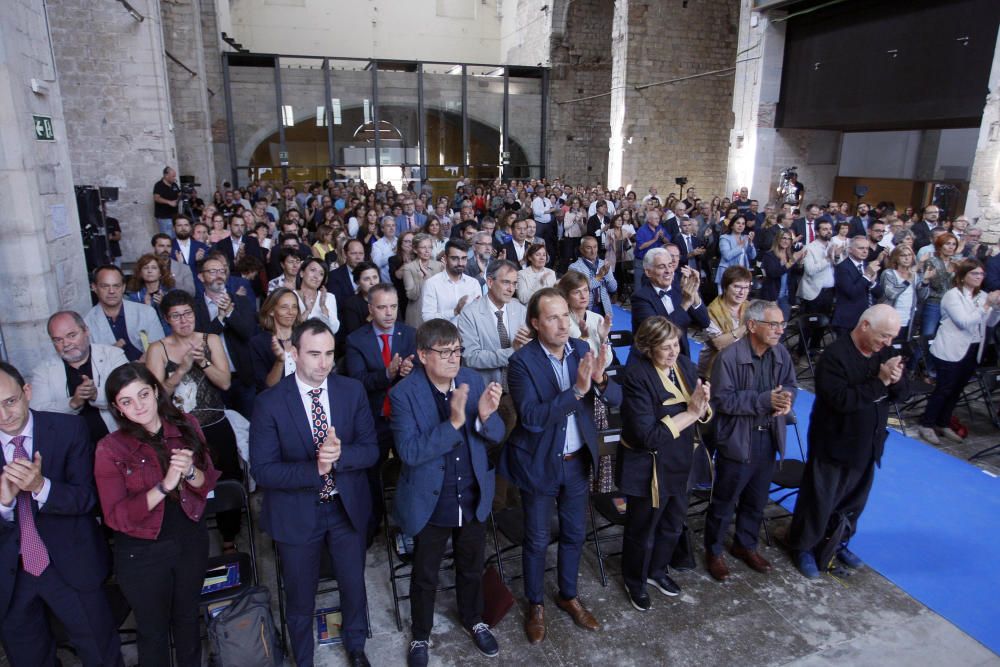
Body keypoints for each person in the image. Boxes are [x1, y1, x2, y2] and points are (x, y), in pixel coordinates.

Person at [250, 319, 379, 667]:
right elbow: (262, 470)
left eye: (329, 354)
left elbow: (370, 450)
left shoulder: (351, 391)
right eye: (313, 354)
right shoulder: (270, 402)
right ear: (294, 353)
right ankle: (303, 658)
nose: (323, 363)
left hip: (344, 507)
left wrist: (341, 456)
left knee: (353, 585)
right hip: (296, 512)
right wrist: (316, 469)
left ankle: (356, 646)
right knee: (300, 595)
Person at [500, 288, 622, 643]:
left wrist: (601, 380)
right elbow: (534, 418)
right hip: (539, 463)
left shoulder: (583, 350)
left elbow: (614, 399)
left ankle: (568, 595)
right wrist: (577, 392)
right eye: (552, 318)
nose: (561, 323)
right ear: (536, 323)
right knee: (537, 539)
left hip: (577, 462)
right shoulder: (521, 362)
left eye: (565, 315)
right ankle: (535, 603)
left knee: (574, 534)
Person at [390, 320, 504, 666]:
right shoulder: (403, 394)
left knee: (471, 566)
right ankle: (421, 635)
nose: (454, 358)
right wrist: (454, 422)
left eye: (457, 350)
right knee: (425, 574)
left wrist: (485, 416)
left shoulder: (471, 379)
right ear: (423, 355)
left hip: (470, 493)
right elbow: (409, 452)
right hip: (430, 500)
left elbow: (495, 434)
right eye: (445, 352)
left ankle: (474, 618)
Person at [95, 362, 219, 667]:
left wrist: (189, 471)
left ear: (155, 391)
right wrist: (163, 486)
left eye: (143, 395)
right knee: (152, 632)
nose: (138, 406)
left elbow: (206, 484)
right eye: (127, 401)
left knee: (188, 620)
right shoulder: (110, 448)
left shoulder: (187, 424)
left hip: (190, 539)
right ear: (117, 408)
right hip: (142, 552)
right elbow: (116, 517)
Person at [0, 361, 123, 667]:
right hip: (10, 577)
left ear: (27, 392)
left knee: (100, 653)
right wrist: (3, 506)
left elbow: (88, 498)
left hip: (70, 565)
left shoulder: (68, 429)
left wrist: (42, 487)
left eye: (10, 402)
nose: (4, 415)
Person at [787, 305, 908, 578]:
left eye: (892, 337)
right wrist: (881, 382)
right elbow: (842, 401)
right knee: (819, 500)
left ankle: (836, 542)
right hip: (834, 443)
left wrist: (897, 381)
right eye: (884, 336)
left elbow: (902, 394)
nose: (888, 343)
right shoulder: (834, 356)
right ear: (864, 325)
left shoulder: (886, 352)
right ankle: (803, 547)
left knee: (853, 503)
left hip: (869, 444)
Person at [617, 317, 710, 610]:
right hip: (649, 467)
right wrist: (693, 413)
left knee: (672, 524)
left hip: (681, 460)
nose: (673, 353)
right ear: (647, 348)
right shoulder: (635, 376)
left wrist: (703, 407)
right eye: (665, 348)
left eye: (675, 345)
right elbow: (647, 435)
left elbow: (700, 410)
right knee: (642, 530)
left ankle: (657, 571)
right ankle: (636, 581)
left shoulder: (683, 364)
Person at [145, 289, 244, 551]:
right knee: (181, 482)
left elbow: (224, 383)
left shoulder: (210, 339)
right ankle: (189, 532)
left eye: (187, 313)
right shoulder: (158, 349)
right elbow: (155, 397)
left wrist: (203, 363)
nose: (184, 320)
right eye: (176, 316)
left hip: (214, 423)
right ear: (167, 319)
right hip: (179, 430)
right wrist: (181, 370)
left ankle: (229, 536)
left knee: (226, 478)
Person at [704, 300, 796, 581]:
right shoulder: (729, 358)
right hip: (737, 440)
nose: (780, 330)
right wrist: (764, 400)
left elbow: (791, 384)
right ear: (752, 325)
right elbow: (722, 401)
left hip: (769, 435)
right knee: (725, 500)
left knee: (757, 499)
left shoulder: (780, 353)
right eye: (774, 324)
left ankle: (745, 544)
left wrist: (787, 401)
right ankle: (714, 550)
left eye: (782, 324)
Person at [344, 283, 417, 535]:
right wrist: (388, 373)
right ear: (370, 309)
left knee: (412, 470)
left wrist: (409, 373)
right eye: (382, 307)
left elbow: (422, 376)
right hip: (374, 419)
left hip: (405, 418)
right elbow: (357, 382)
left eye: (394, 306)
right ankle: (374, 523)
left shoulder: (409, 335)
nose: (389, 313)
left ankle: (410, 522)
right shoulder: (355, 340)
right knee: (371, 475)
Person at [917, 260, 1000, 445]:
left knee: (956, 390)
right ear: (963, 277)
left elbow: (990, 323)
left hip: (972, 348)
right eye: (975, 274)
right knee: (944, 388)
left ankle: (943, 422)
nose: (979, 277)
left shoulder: (981, 296)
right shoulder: (952, 296)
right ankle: (927, 423)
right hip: (950, 348)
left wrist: (996, 309)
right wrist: (987, 305)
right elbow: (963, 321)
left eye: (981, 274)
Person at [29, 311, 128, 443]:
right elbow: (37, 414)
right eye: (58, 340)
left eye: (71, 335)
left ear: (86, 331)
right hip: (69, 445)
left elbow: (128, 397)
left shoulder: (114, 355)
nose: (66, 344)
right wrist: (72, 403)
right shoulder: (42, 371)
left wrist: (95, 395)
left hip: (118, 438)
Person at [630, 248, 708, 359]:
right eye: (661, 267)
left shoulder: (680, 289)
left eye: (670, 265)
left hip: (681, 358)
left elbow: (705, 322)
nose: (668, 271)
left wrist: (694, 293)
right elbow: (659, 334)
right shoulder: (640, 298)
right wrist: (685, 303)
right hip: (650, 362)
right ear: (648, 272)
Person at [84, 264, 166, 362]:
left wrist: (145, 362)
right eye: (105, 286)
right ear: (94, 287)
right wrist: (110, 353)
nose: (111, 291)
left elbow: (160, 348)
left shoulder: (146, 312)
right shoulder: (87, 322)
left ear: (123, 287)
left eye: (116, 286)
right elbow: (92, 362)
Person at [698, 266, 752, 377]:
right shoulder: (711, 311)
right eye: (737, 287)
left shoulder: (750, 307)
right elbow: (718, 343)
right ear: (725, 287)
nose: (742, 292)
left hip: (742, 368)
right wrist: (744, 328)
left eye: (746, 287)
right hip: (714, 370)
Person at [831, 236, 885, 339]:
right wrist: (866, 276)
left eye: (867, 248)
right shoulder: (842, 267)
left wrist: (873, 283)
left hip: (866, 319)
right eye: (861, 248)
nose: (865, 251)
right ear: (850, 250)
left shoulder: (867, 266)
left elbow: (880, 294)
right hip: (848, 320)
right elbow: (851, 292)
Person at [250, 287, 300, 392]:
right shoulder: (258, 343)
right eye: (284, 307)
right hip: (276, 402)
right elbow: (266, 387)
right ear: (271, 311)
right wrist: (280, 361)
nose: (291, 312)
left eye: (294, 307)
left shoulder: (305, 337)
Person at [421, 240, 482, 324]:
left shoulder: (473, 283)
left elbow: (479, 316)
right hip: (443, 336)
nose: (460, 263)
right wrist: (455, 311)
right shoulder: (432, 283)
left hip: (469, 336)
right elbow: (427, 318)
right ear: (445, 259)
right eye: (455, 258)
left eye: (464, 258)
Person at [760, 230, 804, 321]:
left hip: (786, 297)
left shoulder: (790, 255)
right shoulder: (769, 255)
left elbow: (796, 273)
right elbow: (773, 273)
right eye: (784, 238)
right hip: (772, 296)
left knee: (783, 326)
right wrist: (791, 262)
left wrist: (799, 262)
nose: (786, 241)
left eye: (789, 239)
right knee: (772, 324)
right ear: (778, 239)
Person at [402, 233, 444, 328]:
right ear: (415, 249)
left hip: (436, 313)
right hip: (416, 314)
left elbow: (444, 292)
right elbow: (411, 296)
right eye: (423, 247)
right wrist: (421, 279)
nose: (427, 251)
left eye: (429, 247)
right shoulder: (409, 268)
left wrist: (446, 274)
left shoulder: (439, 266)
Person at [126, 253, 176, 334]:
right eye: (145, 268)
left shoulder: (171, 291)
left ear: (160, 273)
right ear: (140, 273)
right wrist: (146, 308)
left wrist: (164, 305)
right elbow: (134, 324)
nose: (149, 271)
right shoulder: (134, 296)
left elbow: (176, 319)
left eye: (154, 268)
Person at [568, 235, 617, 316]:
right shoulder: (574, 267)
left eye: (595, 247)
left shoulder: (604, 264)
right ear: (581, 249)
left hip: (604, 308)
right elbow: (581, 289)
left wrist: (607, 273)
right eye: (589, 248)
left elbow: (613, 288)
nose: (593, 251)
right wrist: (599, 276)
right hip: (585, 309)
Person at [295, 257, 340, 334]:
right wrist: (307, 311)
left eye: (321, 274)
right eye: (313, 270)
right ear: (302, 273)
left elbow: (333, 329)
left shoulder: (329, 297)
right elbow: (290, 328)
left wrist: (323, 307)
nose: (316, 276)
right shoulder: (290, 295)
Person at [715, 216, 756, 291]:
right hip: (727, 274)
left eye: (743, 224)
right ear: (732, 225)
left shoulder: (745, 238)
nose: (741, 226)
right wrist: (741, 246)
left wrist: (750, 243)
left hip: (742, 274)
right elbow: (727, 256)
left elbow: (752, 256)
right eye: (738, 223)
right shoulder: (724, 238)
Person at [153, 166, 181, 237]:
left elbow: (179, 194)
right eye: (173, 176)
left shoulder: (174, 184)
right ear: (166, 175)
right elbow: (156, 198)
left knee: (175, 237)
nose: (174, 178)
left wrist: (180, 198)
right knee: (167, 238)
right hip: (164, 217)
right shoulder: (159, 185)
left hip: (174, 216)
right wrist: (169, 202)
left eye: (175, 176)